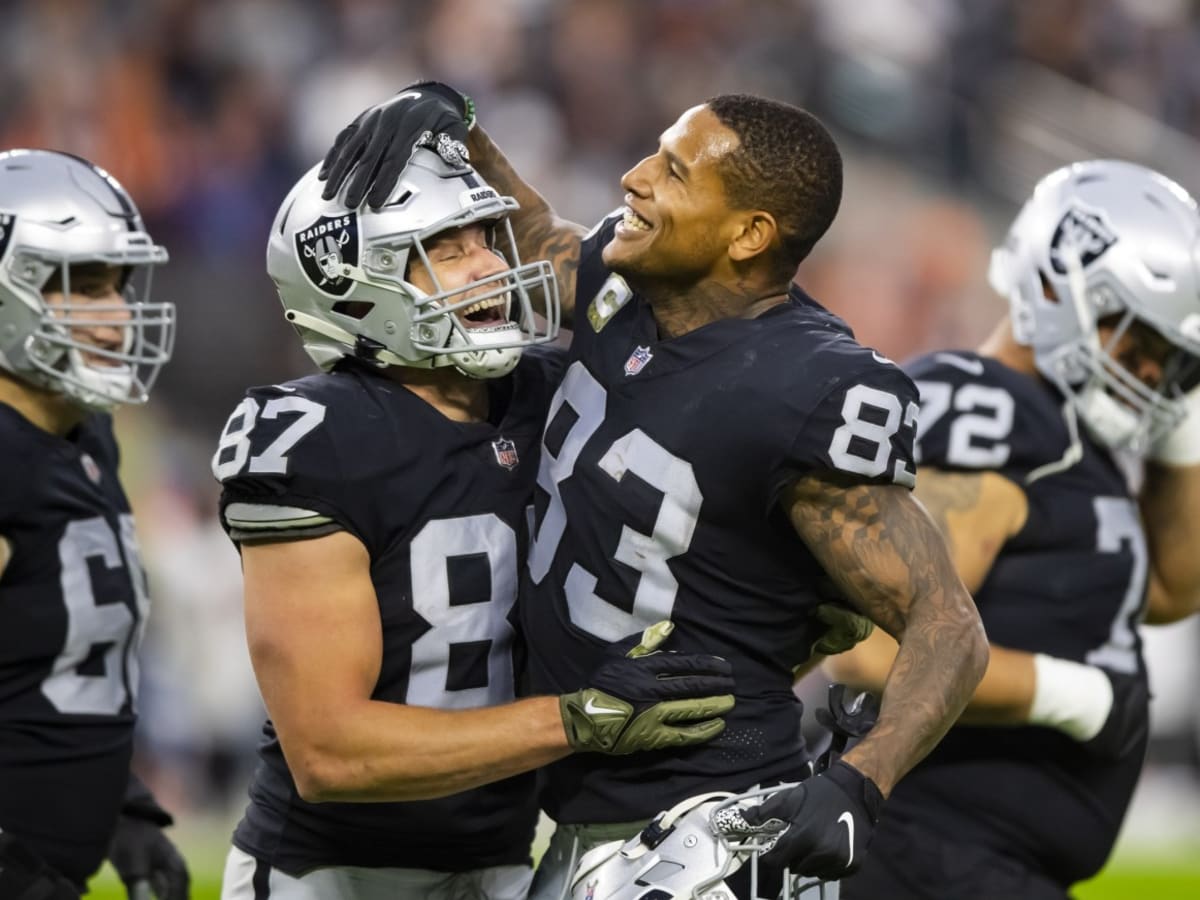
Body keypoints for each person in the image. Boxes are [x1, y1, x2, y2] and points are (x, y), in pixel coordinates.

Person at [318, 84, 989, 898]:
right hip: (586, 819)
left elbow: (947, 622)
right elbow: (539, 235)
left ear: (748, 234)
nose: (635, 178)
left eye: (674, 171)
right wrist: (462, 129)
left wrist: (860, 783)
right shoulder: (631, 286)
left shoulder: (805, 385)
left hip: (709, 828)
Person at [212, 147, 739, 900]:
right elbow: (327, 752)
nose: (489, 265)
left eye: (487, 239)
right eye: (446, 250)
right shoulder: (312, 435)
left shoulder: (553, 397)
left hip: (504, 864)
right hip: (330, 875)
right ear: (354, 282)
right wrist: (575, 722)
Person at [820, 159, 1200, 899]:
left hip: (970, 862)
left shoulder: (1062, 435)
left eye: (1173, 362)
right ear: (1058, 286)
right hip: (924, 852)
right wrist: (1074, 694)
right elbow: (874, 651)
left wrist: (1181, 433)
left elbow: (1171, 587)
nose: (1153, 375)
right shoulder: (982, 409)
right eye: (1139, 342)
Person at [0, 149, 188, 900]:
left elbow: (55, 668)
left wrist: (121, 810)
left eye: (118, 285)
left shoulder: (87, 436)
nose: (114, 318)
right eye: (79, 287)